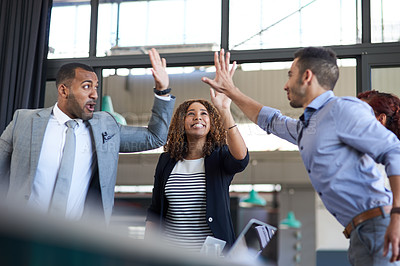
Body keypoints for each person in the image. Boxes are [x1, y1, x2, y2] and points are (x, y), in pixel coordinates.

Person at [202, 47, 400, 265]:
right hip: (360, 232)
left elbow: (394, 151)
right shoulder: (312, 125)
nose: (285, 85)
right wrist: (231, 92)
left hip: (378, 226)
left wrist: (397, 216)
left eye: (290, 75)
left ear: (307, 76)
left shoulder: (342, 109)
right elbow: (272, 121)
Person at [0, 48, 175, 224]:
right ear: (63, 90)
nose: (95, 95)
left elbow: (155, 137)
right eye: (86, 87)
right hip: (22, 232)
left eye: (96, 87)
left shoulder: (106, 128)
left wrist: (162, 91)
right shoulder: (23, 121)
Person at [145, 52, 249, 252]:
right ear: (181, 123)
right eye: (190, 114)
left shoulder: (219, 157)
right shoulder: (167, 160)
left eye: (204, 114)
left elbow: (241, 159)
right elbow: (155, 210)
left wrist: (224, 109)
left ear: (211, 123)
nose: (197, 117)